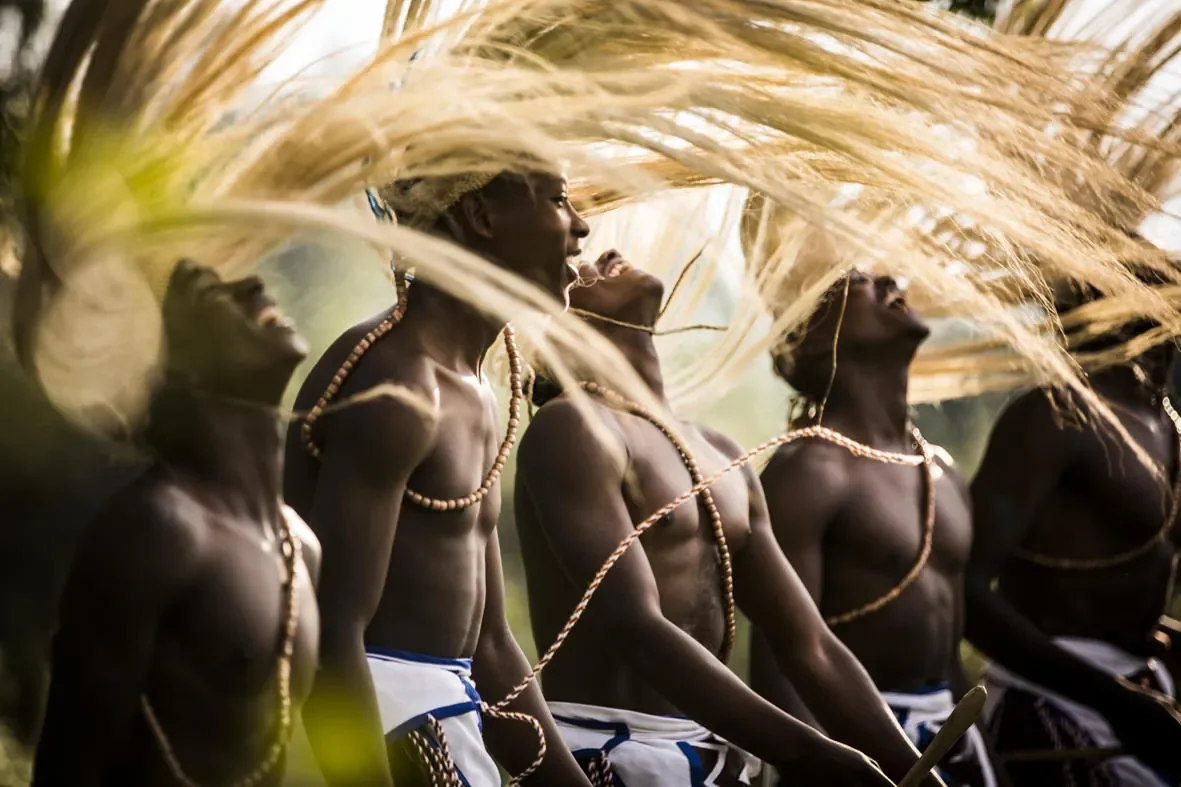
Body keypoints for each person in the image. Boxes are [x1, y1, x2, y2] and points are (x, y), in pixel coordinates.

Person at [516, 251, 943, 787]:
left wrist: (914, 772)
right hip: (608, 758)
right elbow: (635, 626)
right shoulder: (572, 429)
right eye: (575, 265)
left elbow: (808, 645)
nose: (603, 254)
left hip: (713, 761)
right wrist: (807, 753)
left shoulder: (722, 452)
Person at [285, 171, 594, 786]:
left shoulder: (473, 387)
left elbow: (491, 646)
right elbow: (331, 635)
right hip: (385, 731)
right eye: (559, 200)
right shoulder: (400, 384)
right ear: (481, 216)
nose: (581, 225)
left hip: (445, 723)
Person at [31, 260, 322, 787]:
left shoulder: (300, 546)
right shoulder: (158, 530)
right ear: (177, 365)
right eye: (211, 294)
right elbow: (68, 763)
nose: (254, 284)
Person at [752, 269, 999, 787]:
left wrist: (988, 765)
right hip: (854, 754)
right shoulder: (808, 470)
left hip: (952, 740)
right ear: (812, 338)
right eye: (853, 282)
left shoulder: (943, 471)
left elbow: (950, 662)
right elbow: (780, 666)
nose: (890, 279)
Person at [967, 269, 1181, 786]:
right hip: (1053, 700)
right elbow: (964, 593)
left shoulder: (1162, 418)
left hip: (1140, 690)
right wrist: (1112, 699)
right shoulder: (1053, 417)